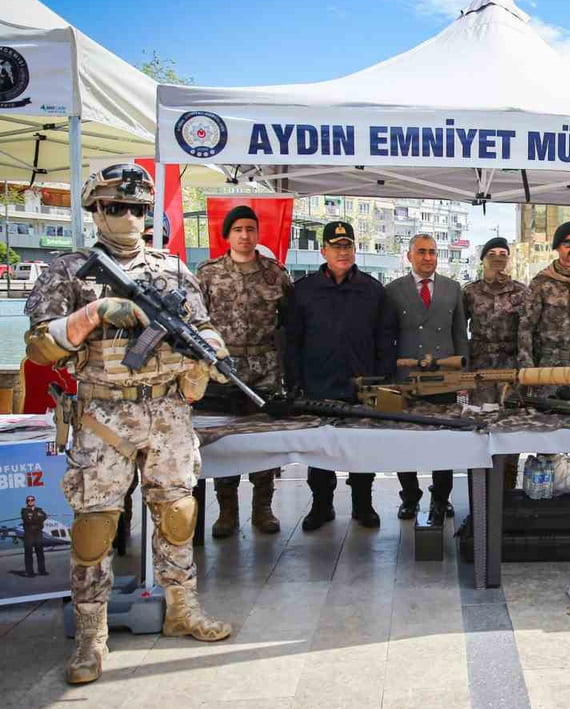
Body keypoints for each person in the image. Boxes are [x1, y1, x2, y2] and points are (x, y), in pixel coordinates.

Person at [25, 163, 232, 684]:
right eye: (115, 207)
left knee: (179, 512)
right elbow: (38, 345)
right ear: (94, 209)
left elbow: (204, 327)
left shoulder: (173, 270)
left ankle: (182, 607)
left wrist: (208, 357)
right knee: (95, 527)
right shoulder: (68, 270)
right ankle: (92, 638)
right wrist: (92, 314)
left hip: (167, 412)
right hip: (102, 413)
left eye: (137, 209)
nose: (127, 217)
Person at [286, 221, 396, 531]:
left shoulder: (372, 289)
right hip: (317, 385)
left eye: (347, 246)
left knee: (361, 449)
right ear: (323, 251)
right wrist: (295, 381)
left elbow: (385, 338)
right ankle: (321, 507)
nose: (342, 252)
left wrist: (383, 380)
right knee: (320, 451)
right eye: (336, 247)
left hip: (361, 387)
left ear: (354, 249)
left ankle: (363, 505)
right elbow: (292, 340)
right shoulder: (304, 290)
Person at [196, 205, 292, 537]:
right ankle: (227, 511)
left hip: (264, 368)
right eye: (238, 229)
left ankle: (263, 509)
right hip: (223, 370)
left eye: (250, 229)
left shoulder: (275, 274)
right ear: (228, 235)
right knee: (226, 440)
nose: (245, 235)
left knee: (262, 439)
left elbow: (289, 323)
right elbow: (196, 322)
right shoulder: (208, 273)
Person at [386, 234, 469, 523]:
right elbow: (388, 338)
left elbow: (460, 335)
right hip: (406, 379)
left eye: (432, 252)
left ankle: (441, 498)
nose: (428, 257)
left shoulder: (453, 289)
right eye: (421, 252)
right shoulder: (393, 291)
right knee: (403, 442)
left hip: (443, 380)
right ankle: (410, 497)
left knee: (443, 442)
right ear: (409, 256)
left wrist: (461, 377)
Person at [520, 220, 570, 484]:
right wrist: (528, 370)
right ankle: (547, 490)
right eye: (567, 243)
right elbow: (526, 328)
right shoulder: (541, 283)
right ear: (557, 248)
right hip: (550, 370)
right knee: (548, 434)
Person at [464, 237, 530, 488]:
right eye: (492, 253)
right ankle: (480, 489)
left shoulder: (521, 291)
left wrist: (525, 368)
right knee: (480, 427)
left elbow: (526, 331)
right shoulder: (470, 292)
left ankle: (508, 487)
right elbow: (460, 330)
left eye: (504, 253)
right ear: (483, 259)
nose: (498, 258)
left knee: (510, 426)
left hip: (510, 368)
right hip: (480, 370)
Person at [20, 495, 47, 577]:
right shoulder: (24, 510)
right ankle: (29, 572)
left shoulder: (39, 509)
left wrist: (34, 518)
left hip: (38, 534)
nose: (30, 501)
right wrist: (38, 518)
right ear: (26, 502)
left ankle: (42, 570)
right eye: (29, 500)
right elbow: (27, 520)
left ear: (34, 501)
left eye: (32, 500)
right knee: (28, 554)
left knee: (40, 553)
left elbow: (44, 516)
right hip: (29, 534)